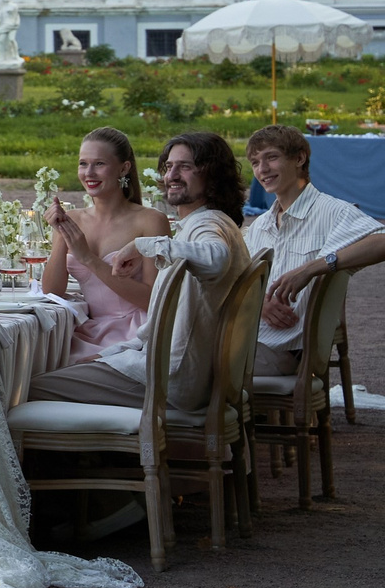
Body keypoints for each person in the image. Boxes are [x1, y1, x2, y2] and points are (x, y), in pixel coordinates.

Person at [27, 132, 248, 409]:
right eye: (169, 167)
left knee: (26, 387)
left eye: (186, 167)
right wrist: (113, 353)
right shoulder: (201, 224)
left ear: (213, 175)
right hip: (158, 357)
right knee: (44, 368)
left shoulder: (206, 226)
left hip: (169, 374)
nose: (172, 176)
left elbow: (215, 258)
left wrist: (141, 245)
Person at [244, 125, 385, 378]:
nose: (262, 170)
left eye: (271, 157)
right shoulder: (260, 226)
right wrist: (259, 305)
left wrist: (314, 267)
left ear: (299, 158)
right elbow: (244, 281)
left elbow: (382, 241)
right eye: (255, 162)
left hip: (286, 351)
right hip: (251, 341)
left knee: (187, 363)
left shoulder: (333, 212)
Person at [40, 127, 170, 363]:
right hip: (90, 331)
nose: (89, 173)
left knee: (48, 378)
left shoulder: (150, 221)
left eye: (99, 164)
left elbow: (154, 300)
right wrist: (60, 232)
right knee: (33, 366)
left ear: (124, 168)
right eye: (83, 164)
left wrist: (88, 258)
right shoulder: (74, 219)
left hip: (137, 333)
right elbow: (51, 292)